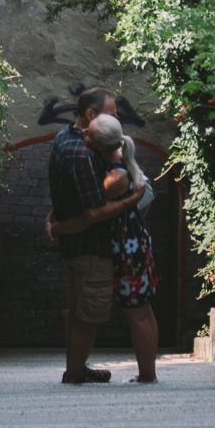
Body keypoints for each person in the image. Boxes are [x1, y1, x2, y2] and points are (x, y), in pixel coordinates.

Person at [46, 87, 143, 386]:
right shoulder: (84, 154)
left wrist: (55, 220)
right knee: (89, 313)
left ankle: (77, 367)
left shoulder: (64, 137)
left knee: (77, 309)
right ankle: (75, 374)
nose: (117, 118)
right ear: (91, 115)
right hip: (92, 248)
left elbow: (71, 197)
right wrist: (133, 198)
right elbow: (93, 212)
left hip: (74, 247)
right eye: (111, 113)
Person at [87, 112, 160, 384]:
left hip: (126, 251)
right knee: (144, 312)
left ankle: (147, 375)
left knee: (137, 315)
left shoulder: (115, 176)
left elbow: (97, 209)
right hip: (137, 245)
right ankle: (148, 373)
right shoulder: (127, 168)